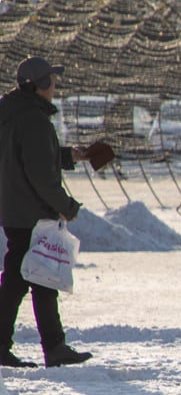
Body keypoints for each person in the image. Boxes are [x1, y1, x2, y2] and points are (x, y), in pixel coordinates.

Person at [0, 57, 116, 369]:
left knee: (23, 280)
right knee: (34, 279)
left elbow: (23, 157)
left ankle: (46, 346)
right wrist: (67, 207)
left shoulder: (12, 114)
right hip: (33, 214)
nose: (54, 86)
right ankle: (52, 347)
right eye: (51, 81)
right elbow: (40, 175)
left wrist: (69, 156)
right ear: (36, 86)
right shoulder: (34, 121)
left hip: (14, 209)